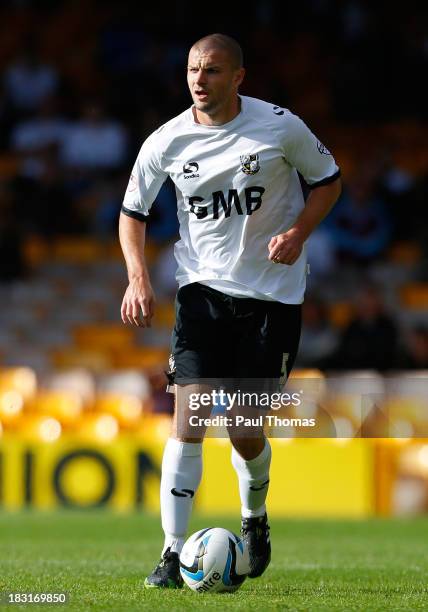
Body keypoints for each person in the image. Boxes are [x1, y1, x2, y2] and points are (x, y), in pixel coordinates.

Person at [119, 33, 341, 588]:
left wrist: (297, 232)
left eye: (213, 71)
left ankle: (255, 518)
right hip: (201, 293)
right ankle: (170, 555)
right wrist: (138, 278)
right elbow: (131, 213)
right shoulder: (165, 141)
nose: (199, 79)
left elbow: (329, 182)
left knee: (243, 429)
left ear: (239, 77)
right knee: (189, 420)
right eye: (193, 69)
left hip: (272, 296)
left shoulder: (279, 127)